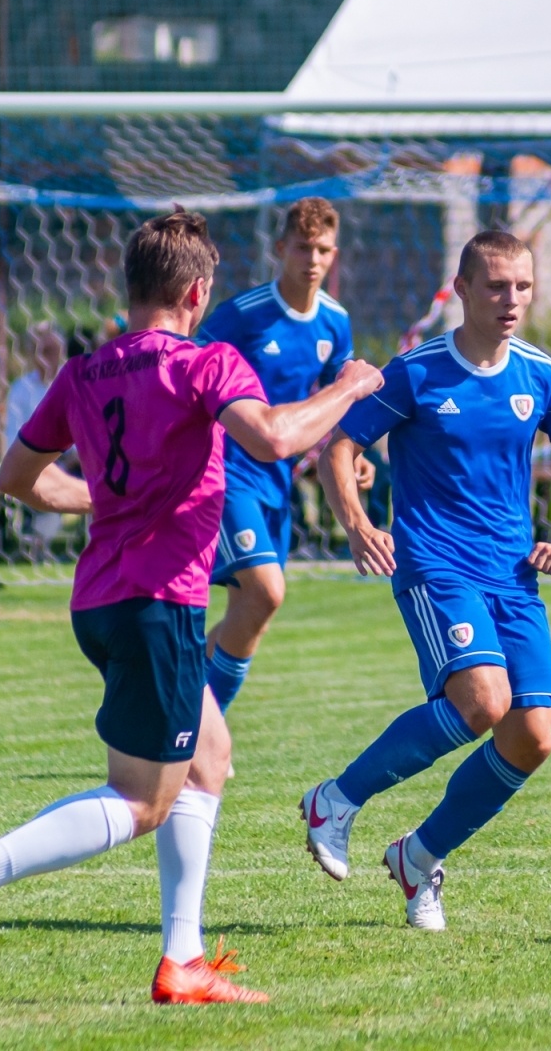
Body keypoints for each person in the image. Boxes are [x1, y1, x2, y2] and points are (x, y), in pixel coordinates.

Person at [0, 209, 383, 1002]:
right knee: (142, 801)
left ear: (131, 289)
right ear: (197, 293)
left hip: (101, 600)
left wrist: (100, 496)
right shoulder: (206, 364)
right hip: (158, 603)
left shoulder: (84, 373)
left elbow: (16, 479)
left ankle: (183, 961)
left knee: (210, 759)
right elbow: (269, 437)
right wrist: (350, 386)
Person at [303, 230, 551, 931]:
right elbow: (338, 447)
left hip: (514, 575)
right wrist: (357, 522)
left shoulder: (540, 374)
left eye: (523, 286)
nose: (511, 300)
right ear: (462, 289)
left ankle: (421, 855)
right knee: (484, 701)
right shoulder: (416, 373)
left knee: (532, 737)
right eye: (497, 286)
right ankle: (336, 800)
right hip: (437, 564)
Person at [196, 197, 375, 719]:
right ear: (280, 250)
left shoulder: (335, 323)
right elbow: (187, 366)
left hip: (277, 483)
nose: (312, 260)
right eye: (302, 248)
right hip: (228, 474)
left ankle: (190, 715)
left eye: (322, 249)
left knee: (253, 610)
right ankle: (200, 735)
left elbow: (337, 397)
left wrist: (352, 451)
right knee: (267, 592)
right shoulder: (244, 315)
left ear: (334, 253)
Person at [4, 323, 69, 554]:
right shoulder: (21, 389)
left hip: (72, 460)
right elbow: (12, 438)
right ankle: (39, 539)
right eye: (43, 351)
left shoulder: (72, 382)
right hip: (35, 461)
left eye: (53, 350)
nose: (49, 358)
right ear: (32, 355)